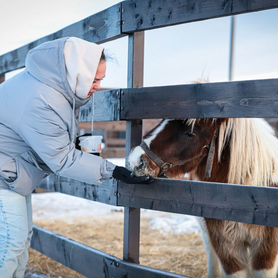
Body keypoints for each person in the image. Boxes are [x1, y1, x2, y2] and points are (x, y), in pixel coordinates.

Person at [0, 37, 152, 278]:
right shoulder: (42, 99)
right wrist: (111, 170)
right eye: (95, 79)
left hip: (12, 172)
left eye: (101, 79)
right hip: (4, 176)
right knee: (11, 244)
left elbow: (48, 141)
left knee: (19, 240)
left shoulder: (52, 88)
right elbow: (61, 159)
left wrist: (74, 144)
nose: (98, 86)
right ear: (77, 72)